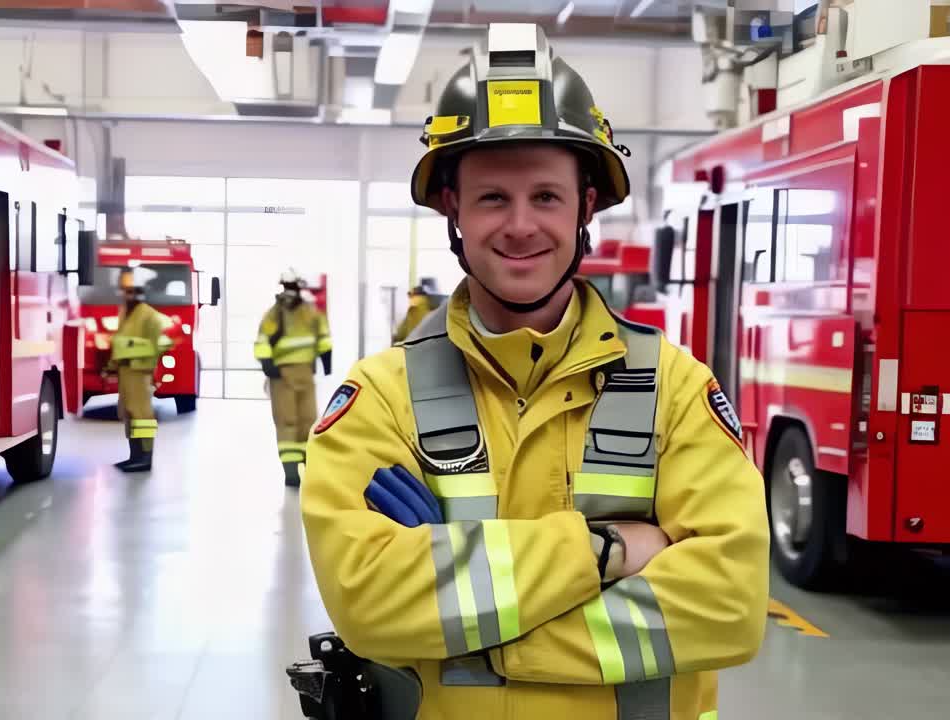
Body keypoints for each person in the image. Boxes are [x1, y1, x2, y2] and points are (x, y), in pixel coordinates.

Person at [299, 24, 769, 720]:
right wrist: (610, 549)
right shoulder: (379, 401)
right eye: (492, 198)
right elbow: (370, 603)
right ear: (453, 209)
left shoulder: (675, 389)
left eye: (545, 196)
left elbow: (728, 603)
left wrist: (477, 637)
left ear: (586, 207)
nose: (520, 225)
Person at [255, 270, 333, 487]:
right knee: (301, 420)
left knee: (294, 421)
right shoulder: (308, 313)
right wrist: (326, 362)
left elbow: (261, 342)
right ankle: (295, 469)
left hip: (287, 375)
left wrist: (268, 365)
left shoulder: (274, 314)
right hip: (294, 374)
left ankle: (296, 469)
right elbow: (324, 340)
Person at [107, 267, 174, 472]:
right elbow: (119, 343)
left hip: (140, 373)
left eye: (130, 291)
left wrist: (132, 354)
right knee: (128, 414)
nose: (127, 295)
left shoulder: (150, 316)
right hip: (126, 373)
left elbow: (160, 345)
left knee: (142, 415)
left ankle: (145, 458)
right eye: (125, 291)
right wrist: (111, 366)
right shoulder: (125, 313)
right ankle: (134, 456)